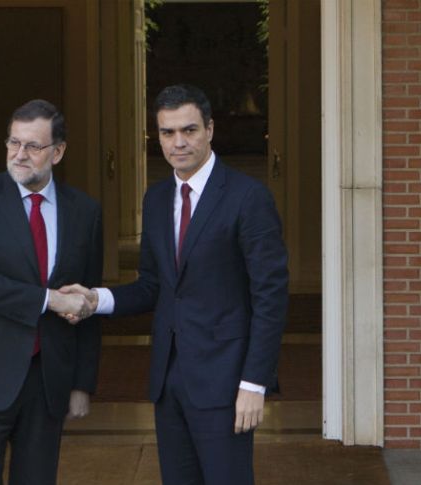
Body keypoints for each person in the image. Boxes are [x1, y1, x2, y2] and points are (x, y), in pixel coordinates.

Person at [61, 84, 289, 485]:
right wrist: (97, 299)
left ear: (210, 130)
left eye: (189, 130)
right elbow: (153, 284)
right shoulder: (156, 198)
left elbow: (269, 298)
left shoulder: (247, 197)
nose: (178, 142)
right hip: (169, 382)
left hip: (226, 383)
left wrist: (254, 383)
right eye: (167, 133)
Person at [0, 99, 102, 485]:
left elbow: (89, 301)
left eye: (33, 146)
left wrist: (82, 383)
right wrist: (51, 299)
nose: (20, 154)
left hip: (48, 378)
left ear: (58, 151)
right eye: (14, 143)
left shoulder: (84, 211)